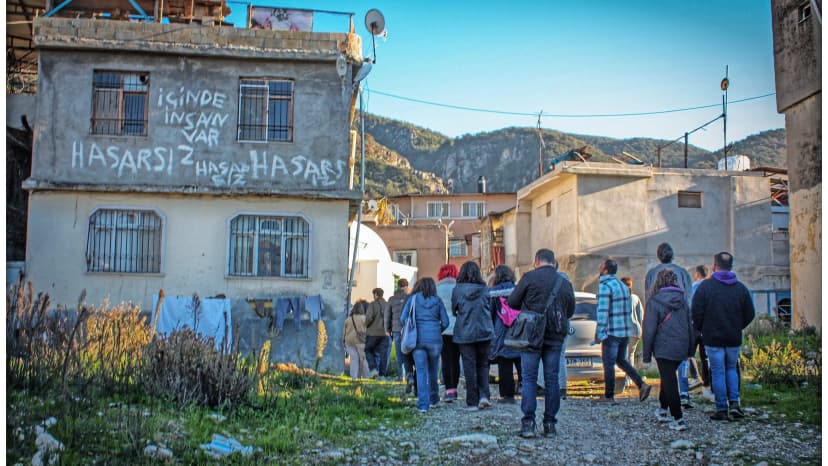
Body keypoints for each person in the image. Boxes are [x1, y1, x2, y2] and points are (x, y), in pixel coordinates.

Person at [508, 249, 575, 438]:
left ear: (536, 261)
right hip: (555, 335)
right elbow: (570, 310)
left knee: (529, 378)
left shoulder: (529, 277)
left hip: (531, 335)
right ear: (553, 263)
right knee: (551, 379)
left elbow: (512, 302)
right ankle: (550, 424)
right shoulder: (564, 282)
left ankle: (528, 423)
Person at [691, 252, 755, 421]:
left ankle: (721, 408)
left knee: (718, 371)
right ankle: (734, 404)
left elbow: (696, 312)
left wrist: (702, 328)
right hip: (733, 337)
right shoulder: (740, 288)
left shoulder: (705, 287)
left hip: (713, 338)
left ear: (714, 265)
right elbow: (750, 313)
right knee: (732, 368)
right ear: (731, 267)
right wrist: (737, 326)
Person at [642, 269, 696, 431]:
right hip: (681, 345)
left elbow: (649, 330)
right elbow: (689, 325)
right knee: (668, 377)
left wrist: (646, 355)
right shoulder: (683, 300)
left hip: (663, 346)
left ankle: (678, 419)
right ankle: (662, 410)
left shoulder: (654, 302)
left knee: (670, 380)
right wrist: (690, 350)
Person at [643, 243, 693, 407]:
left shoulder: (652, 274)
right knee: (679, 363)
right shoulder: (683, 273)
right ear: (672, 255)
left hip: (661, 327)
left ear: (658, 256)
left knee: (666, 370)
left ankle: (673, 411)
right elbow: (689, 301)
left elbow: (648, 301)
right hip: (680, 326)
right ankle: (683, 392)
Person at [595, 259, 652, 403]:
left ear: (605, 270)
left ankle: (609, 396)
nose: (599, 267)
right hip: (624, 331)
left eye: (601, 266)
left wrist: (600, 333)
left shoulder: (605, 286)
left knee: (608, 363)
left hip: (612, 331)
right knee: (621, 360)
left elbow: (602, 312)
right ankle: (641, 384)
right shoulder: (622, 286)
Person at [401, 277, 450, 413]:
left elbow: (403, 318)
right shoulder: (438, 301)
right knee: (433, 370)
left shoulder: (413, 299)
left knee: (421, 371)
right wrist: (437, 331)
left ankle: (423, 404)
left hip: (417, 340)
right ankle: (434, 398)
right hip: (435, 341)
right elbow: (445, 322)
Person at [452, 261, 495, 411]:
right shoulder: (484, 289)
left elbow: (454, 309)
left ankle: (472, 402)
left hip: (465, 332)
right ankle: (484, 396)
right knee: (483, 364)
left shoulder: (458, 289)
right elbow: (489, 307)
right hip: (484, 330)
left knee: (469, 366)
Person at [487, 265, 521, 403]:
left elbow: (490, 312)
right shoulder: (518, 289)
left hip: (501, 330)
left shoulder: (493, 292)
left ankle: (507, 395)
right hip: (518, 328)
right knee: (520, 359)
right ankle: (526, 387)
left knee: (504, 362)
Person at [436, 264, 461, 402]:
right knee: (456, 360)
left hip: (443, 329)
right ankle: (455, 388)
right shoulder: (459, 287)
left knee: (446, 359)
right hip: (458, 328)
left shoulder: (437, 288)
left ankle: (449, 390)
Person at [690, 265, 714, 401]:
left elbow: (690, 305)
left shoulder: (694, 287)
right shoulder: (711, 287)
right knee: (705, 356)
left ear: (697, 274)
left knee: (689, 353)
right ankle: (707, 382)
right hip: (707, 326)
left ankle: (695, 377)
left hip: (694, 324)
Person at [386, 279, 415, 389]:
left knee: (399, 353)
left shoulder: (392, 299)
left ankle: (401, 375)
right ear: (407, 285)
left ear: (398, 286)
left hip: (397, 329)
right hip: (410, 330)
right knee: (411, 353)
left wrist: (387, 329)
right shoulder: (413, 297)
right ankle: (411, 374)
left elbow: (387, 316)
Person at [620, 277, 644, 371]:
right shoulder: (635, 298)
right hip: (635, 330)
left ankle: (626, 379)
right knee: (630, 354)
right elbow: (641, 316)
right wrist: (641, 329)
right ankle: (629, 378)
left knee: (624, 355)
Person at [365, 288, 389, 378]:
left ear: (375, 294)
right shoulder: (388, 304)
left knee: (368, 350)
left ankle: (373, 369)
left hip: (373, 333)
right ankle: (382, 374)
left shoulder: (373, 304)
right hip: (385, 334)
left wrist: (365, 325)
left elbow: (368, 318)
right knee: (384, 354)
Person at [343, 300, 369, 379]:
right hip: (361, 341)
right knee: (363, 359)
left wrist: (343, 340)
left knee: (354, 359)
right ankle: (365, 376)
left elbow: (344, 332)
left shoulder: (348, 319)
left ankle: (354, 377)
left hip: (349, 341)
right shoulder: (365, 319)